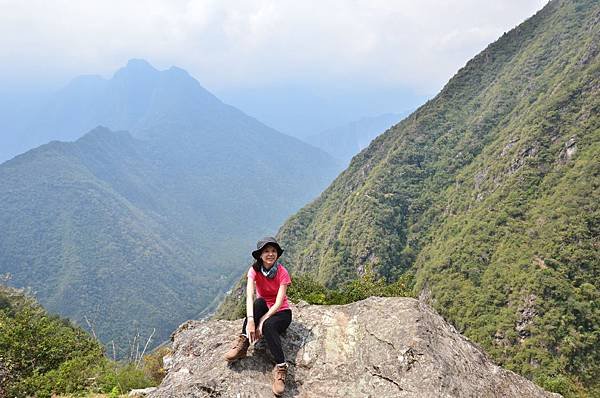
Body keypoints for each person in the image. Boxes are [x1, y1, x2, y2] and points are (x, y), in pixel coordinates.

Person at [224, 237, 292, 396]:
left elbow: (278, 302)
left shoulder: (282, 272)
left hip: (281, 312)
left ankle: (281, 367)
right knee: (258, 303)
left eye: (273, 251)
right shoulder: (254, 270)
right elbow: (249, 296)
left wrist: (262, 321)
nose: (270, 254)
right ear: (260, 255)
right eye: (266, 251)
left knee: (268, 327)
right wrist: (251, 320)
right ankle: (243, 343)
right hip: (263, 307)